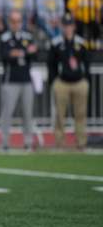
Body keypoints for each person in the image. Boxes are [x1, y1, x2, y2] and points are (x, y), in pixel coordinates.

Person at [48, 13, 91, 149]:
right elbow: (51, 64)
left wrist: (86, 81)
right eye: (65, 25)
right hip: (62, 82)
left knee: (80, 114)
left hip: (79, 82)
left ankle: (81, 143)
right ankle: (60, 143)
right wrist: (53, 81)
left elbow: (87, 63)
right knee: (60, 115)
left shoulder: (81, 42)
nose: (68, 28)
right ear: (62, 26)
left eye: (70, 25)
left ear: (74, 26)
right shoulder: (56, 43)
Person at [0, 10, 37, 151]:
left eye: (18, 21)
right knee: (7, 113)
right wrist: (24, 52)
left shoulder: (27, 36)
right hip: (10, 80)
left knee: (27, 113)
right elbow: (6, 56)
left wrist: (19, 52)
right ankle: (4, 143)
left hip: (26, 80)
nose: (16, 24)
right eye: (13, 21)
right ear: (9, 22)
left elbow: (35, 53)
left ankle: (28, 142)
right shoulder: (4, 38)